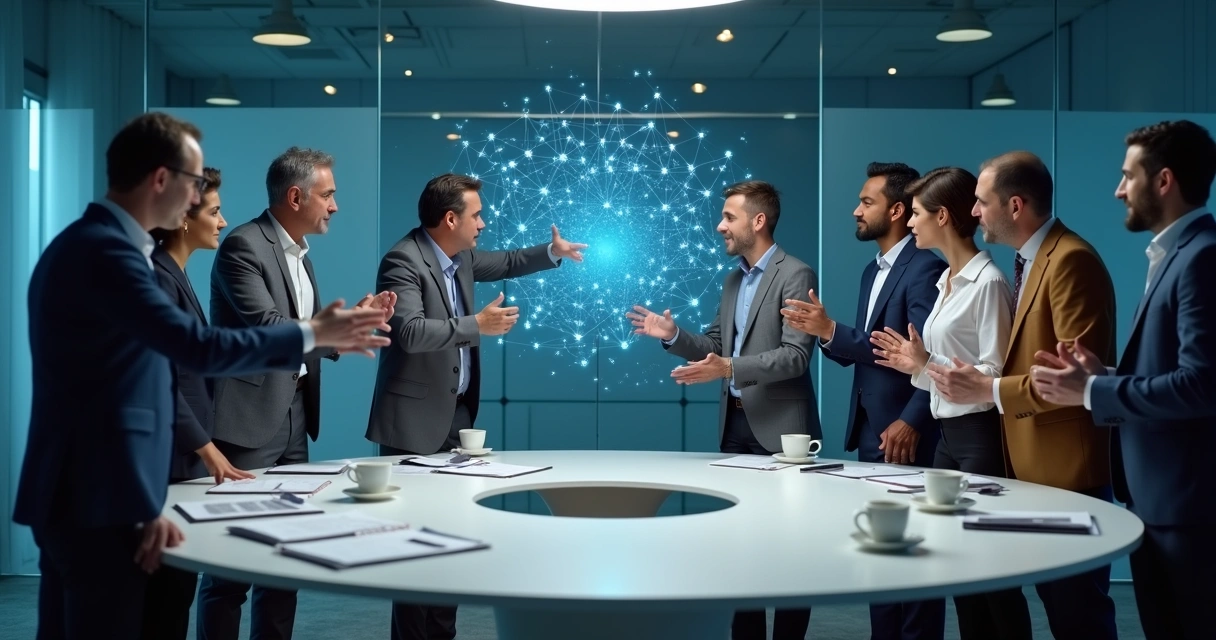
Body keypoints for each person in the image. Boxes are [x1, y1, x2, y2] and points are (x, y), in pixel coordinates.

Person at [11, 111, 391, 640]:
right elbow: (194, 349)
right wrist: (314, 333)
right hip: (94, 499)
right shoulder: (107, 253)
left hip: (105, 493)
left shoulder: (102, 246)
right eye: (194, 185)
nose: (197, 201)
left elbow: (131, 383)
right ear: (162, 180)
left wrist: (145, 503)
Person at [366, 172, 587, 640]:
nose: (484, 223)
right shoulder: (403, 260)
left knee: (448, 545)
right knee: (413, 553)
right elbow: (408, 332)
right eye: (477, 214)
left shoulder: (458, 256)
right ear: (451, 218)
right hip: (412, 425)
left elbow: (506, 261)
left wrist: (553, 253)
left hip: (456, 420)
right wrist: (475, 324)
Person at [198, 147, 396, 640]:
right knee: (229, 568)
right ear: (295, 195)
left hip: (292, 421)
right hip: (246, 422)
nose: (334, 206)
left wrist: (350, 322)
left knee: (284, 558)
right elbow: (268, 328)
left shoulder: (300, 255)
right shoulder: (243, 246)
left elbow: (302, 334)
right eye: (328, 195)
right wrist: (336, 328)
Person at [1030, 120, 1216, 640]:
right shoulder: (1174, 255)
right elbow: (1172, 372)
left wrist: (1092, 392)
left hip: (1187, 505)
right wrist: (1104, 376)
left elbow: (1202, 386)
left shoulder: (1202, 258)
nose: (1118, 190)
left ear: (1164, 181)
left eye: (1127, 176)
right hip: (1159, 499)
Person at [925, 151, 1118, 640]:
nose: (973, 213)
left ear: (1015, 205)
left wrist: (987, 387)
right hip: (1032, 468)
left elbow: (1076, 382)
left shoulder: (1070, 259)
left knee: (1079, 616)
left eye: (981, 202)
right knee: (1059, 607)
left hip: (1065, 473)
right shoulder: (1031, 260)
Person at [628, 180, 818, 640]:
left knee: (790, 553)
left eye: (729, 216)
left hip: (783, 434)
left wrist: (729, 365)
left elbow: (796, 357)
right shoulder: (734, 278)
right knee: (739, 551)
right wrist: (672, 335)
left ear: (758, 220)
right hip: (734, 429)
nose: (720, 226)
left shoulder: (796, 273)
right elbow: (717, 347)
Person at [782, 161, 947, 640]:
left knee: (914, 570)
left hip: (906, 435)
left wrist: (913, 419)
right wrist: (828, 336)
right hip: (873, 434)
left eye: (866, 202)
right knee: (883, 562)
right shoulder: (869, 271)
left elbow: (924, 354)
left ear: (897, 210)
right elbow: (868, 353)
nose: (856, 210)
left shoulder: (925, 266)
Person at [867, 167, 1031, 640]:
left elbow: (997, 376)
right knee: (959, 573)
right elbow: (947, 372)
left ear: (942, 216)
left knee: (993, 577)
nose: (910, 223)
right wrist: (916, 366)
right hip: (947, 439)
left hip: (979, 438)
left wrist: (925, 361)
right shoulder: (946, 283)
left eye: (916, 214)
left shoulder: (988, 285)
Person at [140, 167, 255, 640]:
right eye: (214, 211)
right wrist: (208, 450)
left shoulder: (177, 275)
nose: (223, 221)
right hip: (166, 463)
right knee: (163, 604)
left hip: (180, 461)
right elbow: (161, 380)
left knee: (174, 598)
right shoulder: (158, 280)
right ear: (183, 219)